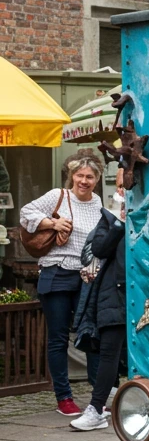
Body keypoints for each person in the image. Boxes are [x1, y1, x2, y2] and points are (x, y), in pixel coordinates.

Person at [20, 151, 104, 415]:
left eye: (90, 177)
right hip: (56, 273)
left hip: (86, 277)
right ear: (72, 176)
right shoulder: (58, 195)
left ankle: (97, 397)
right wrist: (53, 222)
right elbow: (25, 213)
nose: (84, 181)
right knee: (58, 338)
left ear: (97, 179)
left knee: (89, 334)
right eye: (80, 175)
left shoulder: (98, 202)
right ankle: (64, 398)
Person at [70, 188, 126, 432]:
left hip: (143, 290)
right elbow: (100, 250)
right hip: (113, 292)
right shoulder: (108, 218)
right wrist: (118, 221)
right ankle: (96, 409)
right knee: (108, 352)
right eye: (120, 188)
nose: (123, 191)